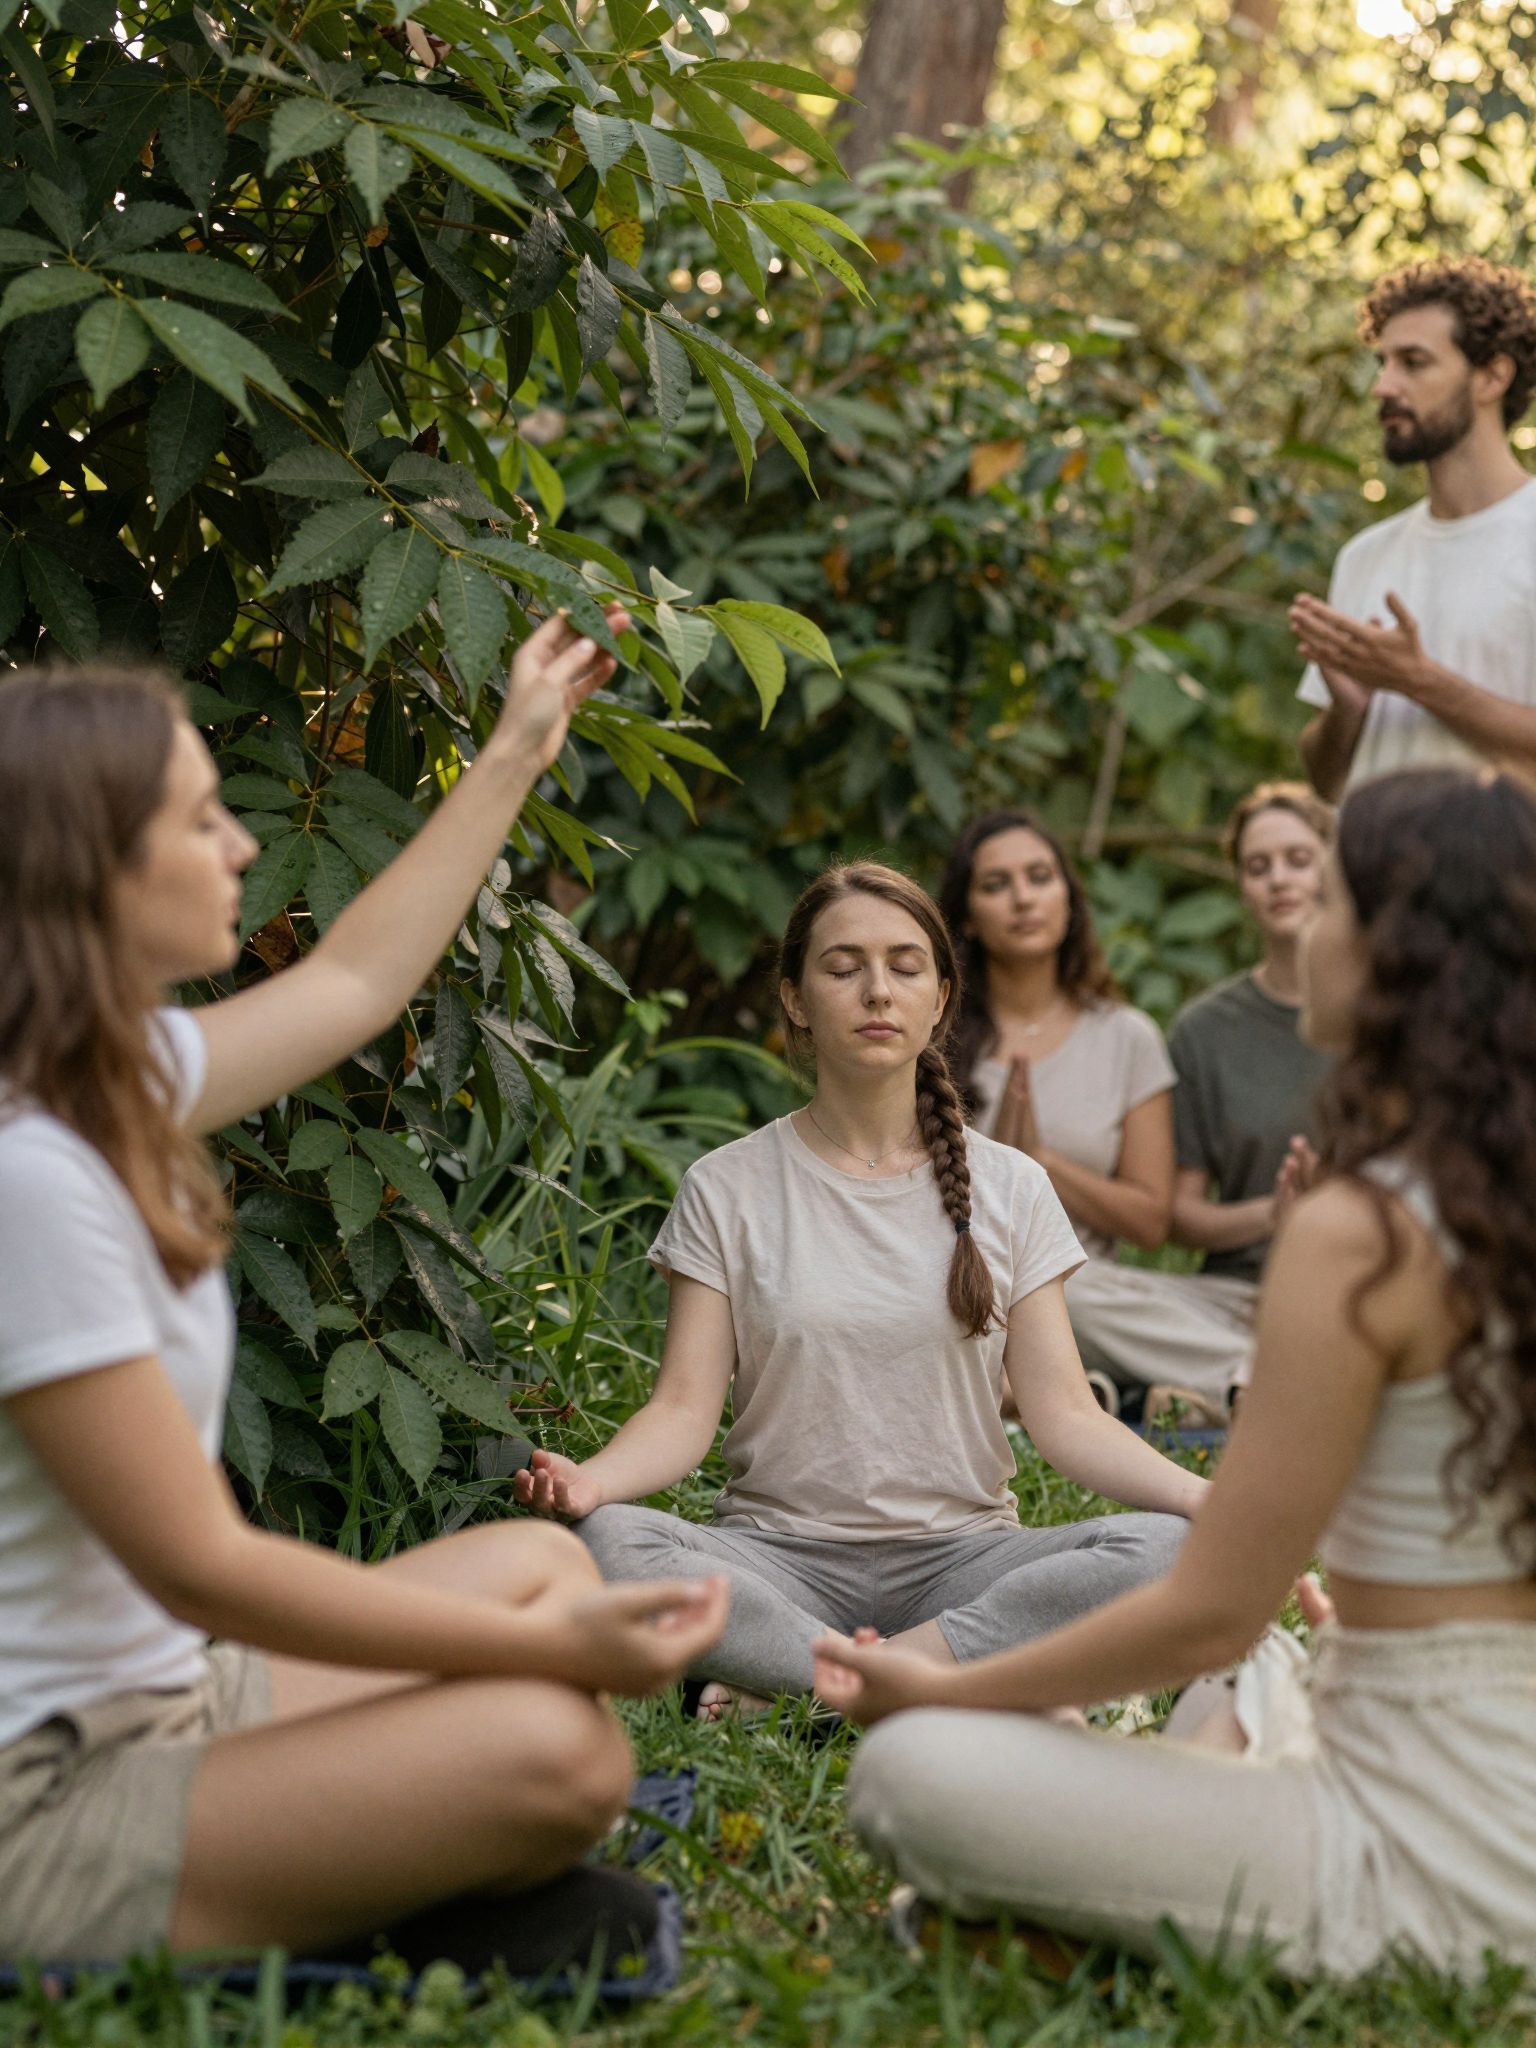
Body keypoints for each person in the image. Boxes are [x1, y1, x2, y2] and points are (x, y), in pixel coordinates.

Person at [0, 642, 731, 1978]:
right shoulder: (28, 1180)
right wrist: (551, 1654)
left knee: (544, 1566)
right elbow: (203, 1569)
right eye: (200, 817)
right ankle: (381, 1881)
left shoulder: (108, 1080)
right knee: (560, 1750)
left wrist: (514, 750)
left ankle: (365, 1860)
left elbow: (350, 987)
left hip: (165, 1701)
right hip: (39, 1799)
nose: (239, 845)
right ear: (90, 873)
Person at [817, 767, 1536, 1984]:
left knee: (909, 1766)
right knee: (1254, 1667)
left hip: (1432, 1851)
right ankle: (1133, 1864)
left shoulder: (1360, 1228)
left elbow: (1211, 1602)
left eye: (1338, 901)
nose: (1307, 928)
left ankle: (1104, 1919)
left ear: (1401, 951)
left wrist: (952, 1686)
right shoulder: (1485, 1191)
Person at [513, 862, 1207, 1719]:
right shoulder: (726, 1186)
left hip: (964, 1563)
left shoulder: (1014, 1187)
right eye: (843, 968)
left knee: (1169, 1548)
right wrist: (590, 1483)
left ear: (942, 998)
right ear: (797, 998)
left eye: (906, 967)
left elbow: (1066, 1417)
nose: (877, 990)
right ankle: (924, 1682)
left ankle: (816, 1682)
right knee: (609, 1542)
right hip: (776, 1559)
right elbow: (683, 1413)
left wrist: (1201, 1498)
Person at [939, 812, 1191, 1410]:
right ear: (968, 918)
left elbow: (1151, 1222)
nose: (1022, 897)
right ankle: (1209, 1376)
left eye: (1039, 877)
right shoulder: (932, 1041)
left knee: (1069, 1290)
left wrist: (1040, 1163)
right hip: (970, 1279)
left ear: (1069, 900)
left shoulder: (1127, 1036)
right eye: (996, 884)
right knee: (1022, 1290)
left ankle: (1059, 1389)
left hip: (1095, 1291)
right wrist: (998, 1171)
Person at [1294, 257, 1536, 799]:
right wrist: (1350, 709)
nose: (1383, 386)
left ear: (1492, 376)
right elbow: (1328, 781)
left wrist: (1416, 679)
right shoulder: (1365, 556)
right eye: (1383, 363)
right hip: (1379, 882)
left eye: (1413, 362)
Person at [1155, 782, 1336, 1420]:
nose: (1279, 880)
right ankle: (1263, 1376)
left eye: (1298, 859)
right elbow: (1180, 1215)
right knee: (1080, 1294)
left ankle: (1227, 1386)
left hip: (1362, 1278)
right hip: (1236, 1297)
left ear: (1333, 868)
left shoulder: (1393, 1012)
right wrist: (1275, 1213)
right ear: (1241, 888)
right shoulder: (1204, 1030)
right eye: (1258, 868)